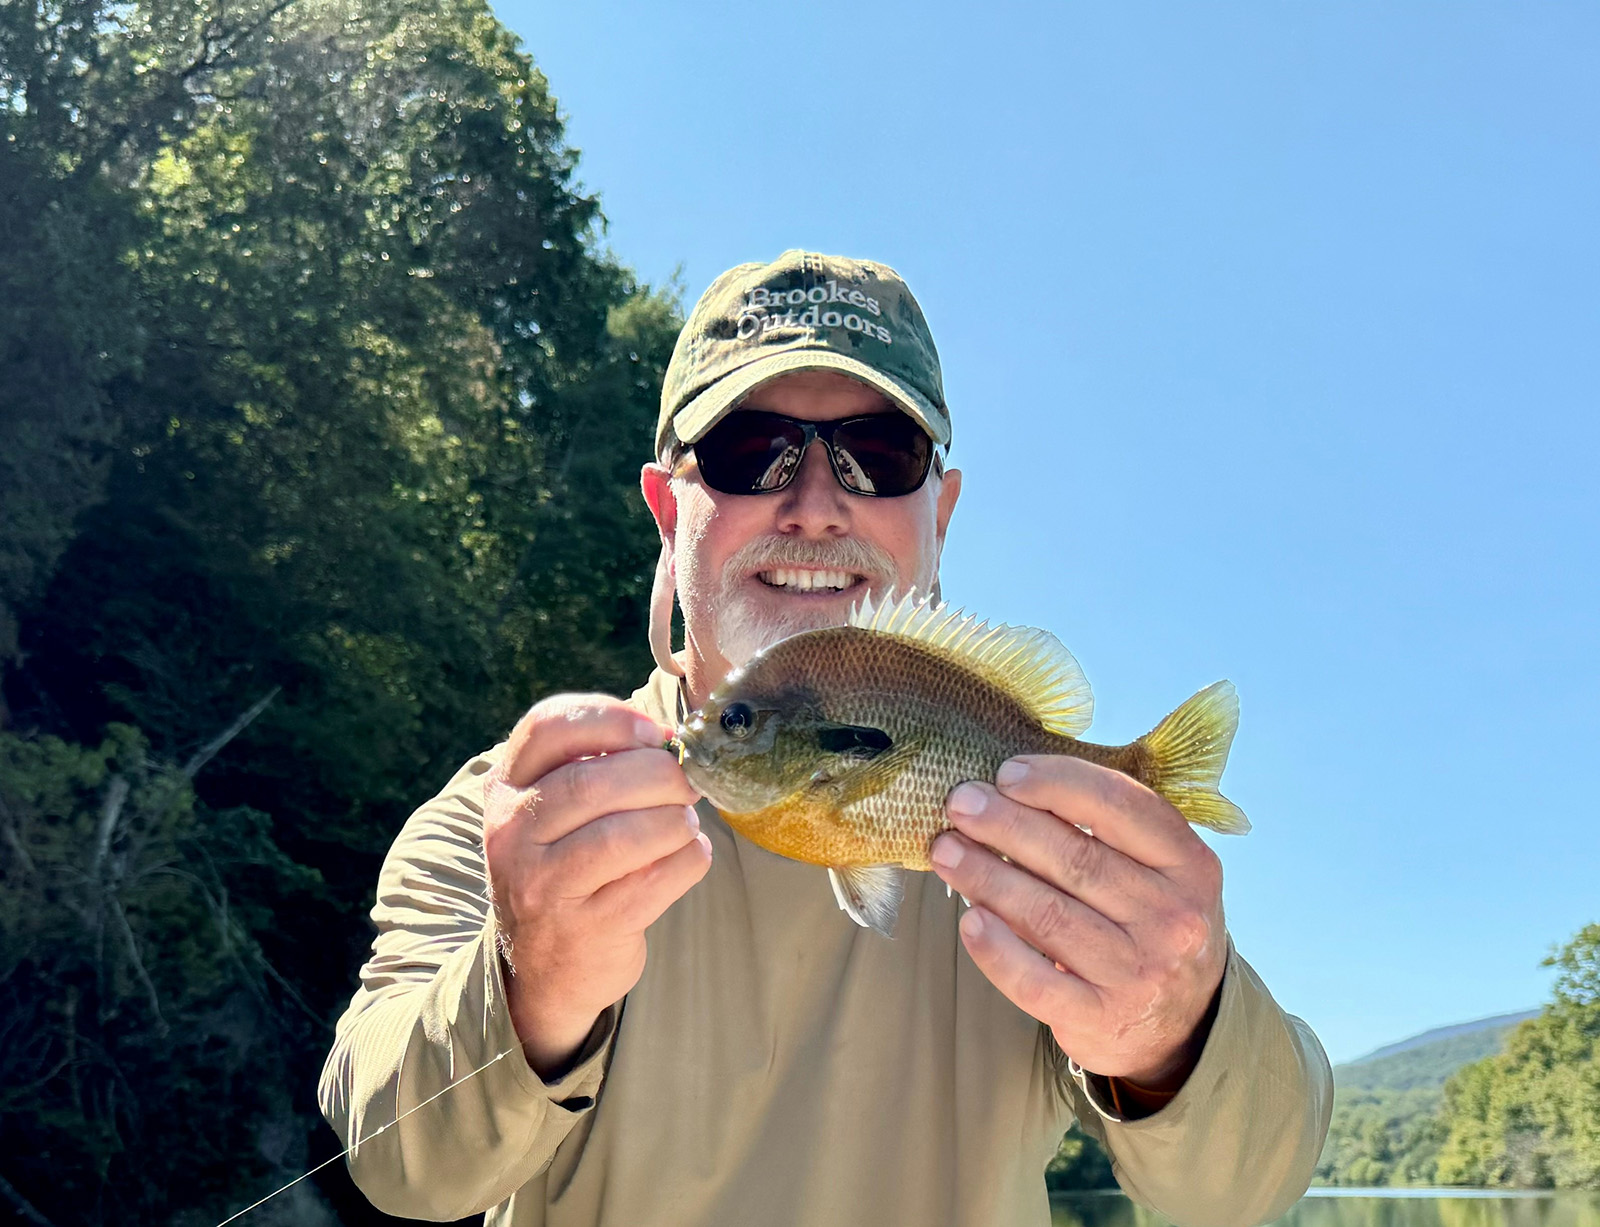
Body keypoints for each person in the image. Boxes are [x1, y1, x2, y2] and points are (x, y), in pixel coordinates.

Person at [319, 250, 1333, 1227]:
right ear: (669, 509)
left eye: (877, 457)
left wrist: (1175, 1031)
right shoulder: (516, 822)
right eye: (750, 451)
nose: (813, 505)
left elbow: (1244, 1187)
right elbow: (400, 1166)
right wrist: (524, 983)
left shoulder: (1054, 842)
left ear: (940, 513)